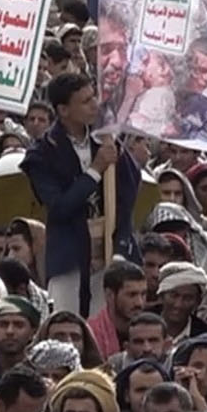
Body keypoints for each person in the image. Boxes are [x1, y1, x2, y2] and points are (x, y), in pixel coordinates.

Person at [23, 72, 140, 318]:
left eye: (93, 97)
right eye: (85, 101)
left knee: (104, 328)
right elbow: (59, 207)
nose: (94, 105)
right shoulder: (42, 154)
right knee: (66, 324)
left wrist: (120, 244)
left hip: (108, 254)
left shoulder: (106, 138)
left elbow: (128, 190)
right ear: (63, 110)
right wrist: (95, 170)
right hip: (70, 256)